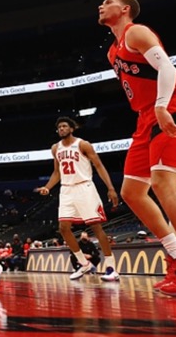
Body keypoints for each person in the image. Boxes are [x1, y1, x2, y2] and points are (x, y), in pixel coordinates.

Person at [98, 0, 176, 296]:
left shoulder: (136, 31)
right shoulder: (112, 52)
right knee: (132, 192)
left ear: (125, 9)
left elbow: (168, 69)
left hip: (170, 111)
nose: (101, 5)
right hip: (145, 120)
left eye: (109, 1)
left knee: (164, 185)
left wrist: (162, 106)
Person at [35, 116, 120, 282]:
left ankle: (111, 268)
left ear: (71, 129)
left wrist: (110, 188)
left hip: (84, 187)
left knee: (96, 227)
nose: (61, 129)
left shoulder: (83, 144)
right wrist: (47, 187)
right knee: (63, 228)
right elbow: (57, 172)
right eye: (59, 127)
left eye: (65, 126)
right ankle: (84, 263)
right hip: (66, 190)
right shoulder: (55, 148)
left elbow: (99, 165)